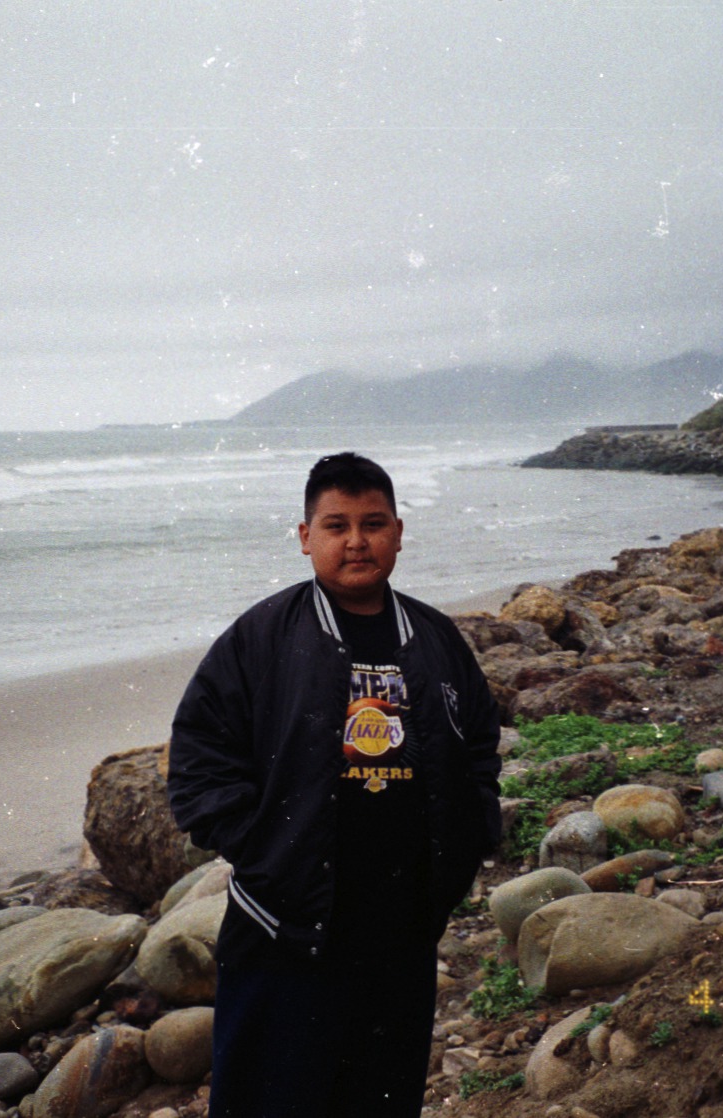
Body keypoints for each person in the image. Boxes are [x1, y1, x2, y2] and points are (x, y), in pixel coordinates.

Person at [167, 452, 502, 1118]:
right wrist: (266, 853)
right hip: (282, 938)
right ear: (304, 536)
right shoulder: (260, 638)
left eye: (373, 524)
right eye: (336, 525)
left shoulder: (434, 639)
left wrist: (461, 854)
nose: (356, 541)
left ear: (399, 533)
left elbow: (480, 752)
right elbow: (198, 760)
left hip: (399, 936)